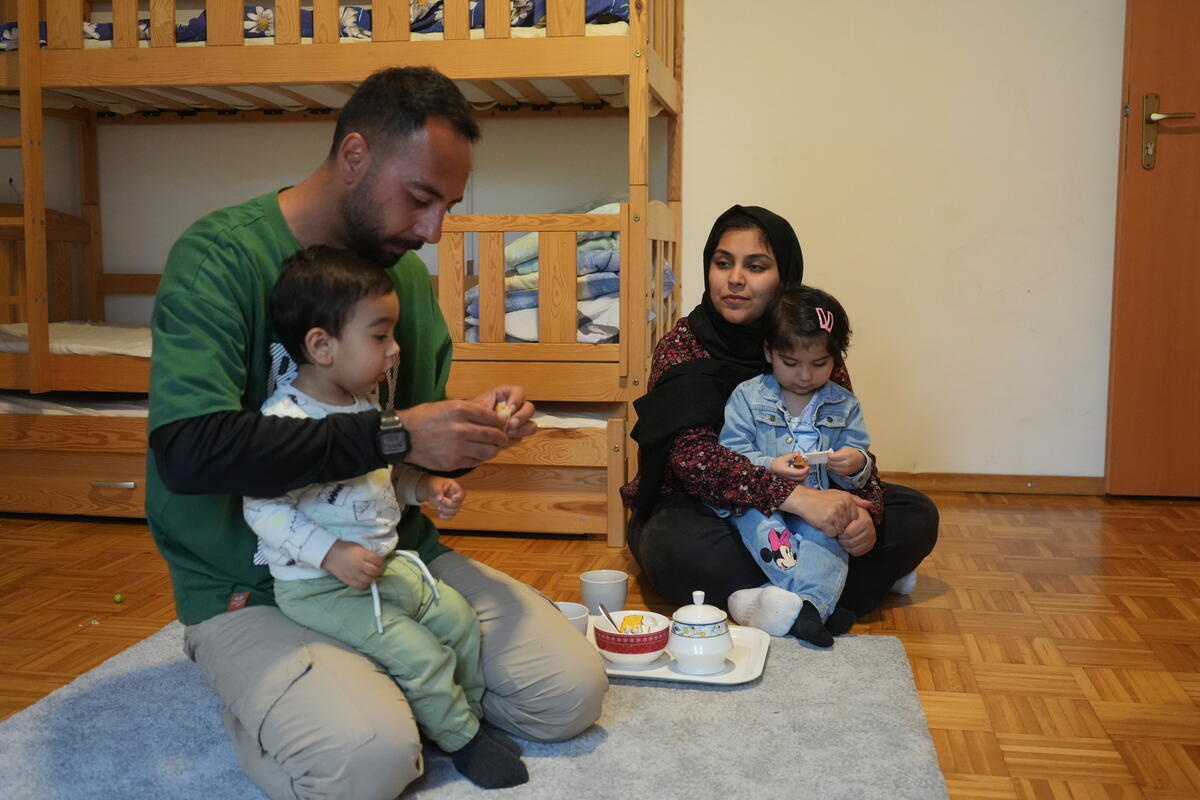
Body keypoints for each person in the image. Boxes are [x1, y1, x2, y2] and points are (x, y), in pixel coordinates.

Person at [147, 67, 607, 800]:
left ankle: (380, 688)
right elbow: (189, 453)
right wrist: (394, 437)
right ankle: (298, 704)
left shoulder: (408, 284)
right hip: (256, 583)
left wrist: (470, 436)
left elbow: (407, 463)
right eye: (421, 198)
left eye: (447, 206)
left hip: (393, 559)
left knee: (567, 694)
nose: (432, 231)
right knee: (366, 762)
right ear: (355, 156)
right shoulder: (220, 259)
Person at [242, 246, 526, 789]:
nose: (396, 351)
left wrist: (424, 486)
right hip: (318, 585)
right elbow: (263, 506)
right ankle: (464, 742)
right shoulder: (284, 421)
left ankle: (459, 724)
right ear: (321, 345)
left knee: (460, 622)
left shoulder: (365, 409)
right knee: (418, 655)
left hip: (386, 566)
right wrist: (331, 554)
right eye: (379, 337)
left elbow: (383, 481)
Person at [621, 204, 937, 635]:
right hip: (710, 509)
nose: (735, 278)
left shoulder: (811, 345)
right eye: (722, 263)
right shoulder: (683, 345)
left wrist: (867, 514)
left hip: (814, 504)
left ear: (784, 275)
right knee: (672, 548)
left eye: (756, 266)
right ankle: (842, 588)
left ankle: (764, 600)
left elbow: (848, 443)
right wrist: (797, 501)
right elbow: (696, 463)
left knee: (916, 513)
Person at [716, 284, 872, 648]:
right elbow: (732, 454)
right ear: (769, 351)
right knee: (764, 529)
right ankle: (817, 608)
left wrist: (855, 462)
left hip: (818, 500)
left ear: (837, 358)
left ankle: (804, 608)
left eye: (820, 364)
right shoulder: (748, 396)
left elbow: (860, 457)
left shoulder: (844, 404)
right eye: (791, 363)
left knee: (830, 533)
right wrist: (771, 464)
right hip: (762, 503)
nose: (805, 375)